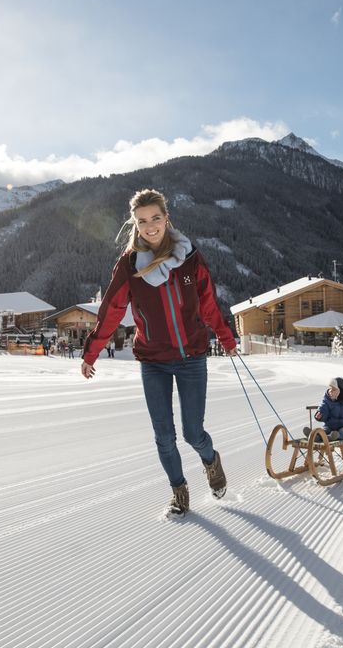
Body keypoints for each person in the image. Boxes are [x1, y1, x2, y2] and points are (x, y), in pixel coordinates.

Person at [81, 188, 238, 518]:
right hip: (153, 361)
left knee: (193, 433)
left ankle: (211, 461)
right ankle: (179, 491)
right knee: (164, 437)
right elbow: (111, 311)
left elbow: (208, 303)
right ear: (135, 225)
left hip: (191, 357)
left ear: (167, 218)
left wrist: (226, 337)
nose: (149, 226)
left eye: (155, 218)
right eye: (142, 221)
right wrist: (91, 352)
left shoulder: (189, 257)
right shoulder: (129, 266)